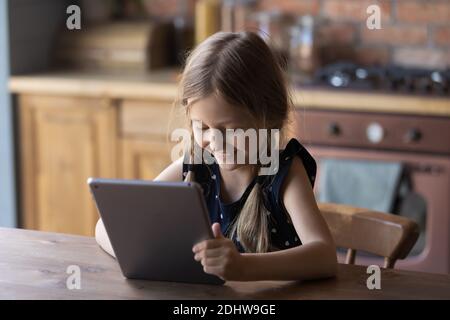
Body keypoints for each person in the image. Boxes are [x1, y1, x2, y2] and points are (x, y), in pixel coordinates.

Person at [95, 31, 337, 281]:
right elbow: (104, 228)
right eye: (203, 128)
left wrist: (243, 267)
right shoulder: (195, 167)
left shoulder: (283, 172)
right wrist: (142, 256)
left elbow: (325, 256)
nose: (215, 141)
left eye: (230, 130)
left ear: (267, 118)